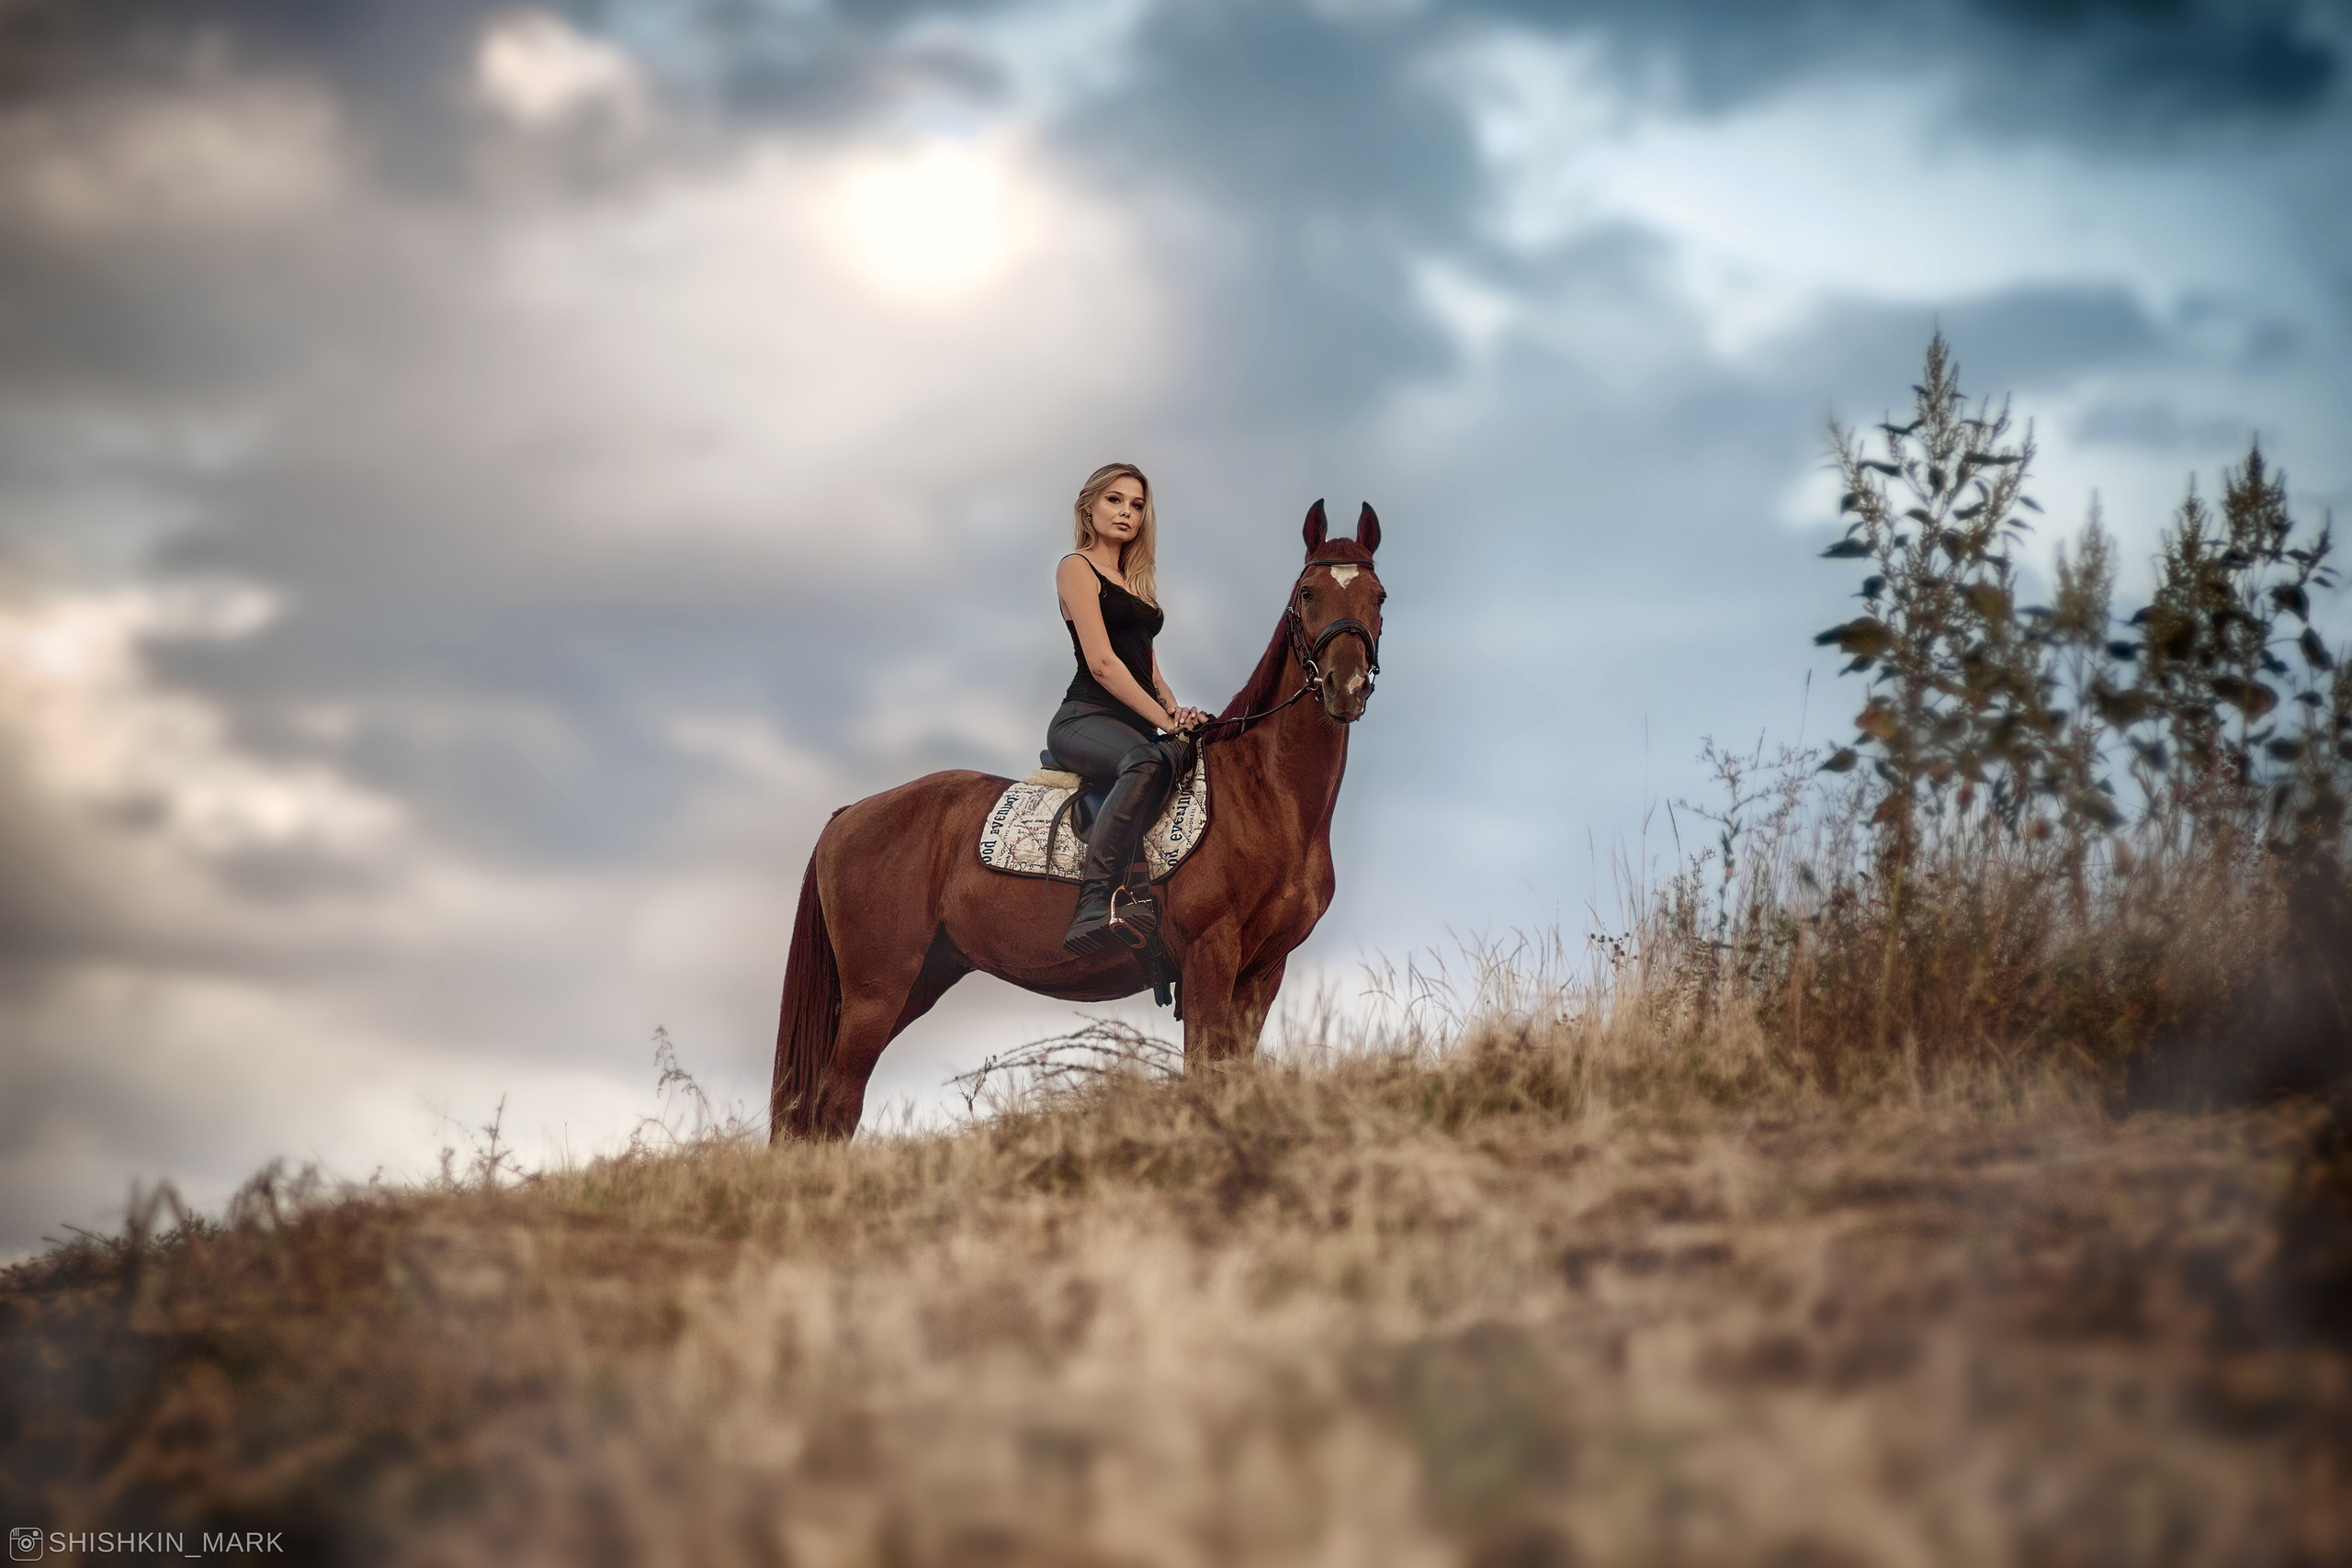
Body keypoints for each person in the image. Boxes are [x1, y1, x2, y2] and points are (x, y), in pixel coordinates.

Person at [1047, 463, 1210, 954]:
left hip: (1135, 721)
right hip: (1084, 719)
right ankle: (1094, 906)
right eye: (1115, 500)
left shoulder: (1136, 582)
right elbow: (1102, 664)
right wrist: (1163, 723)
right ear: (1088, 507)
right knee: (1144, 760)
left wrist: (1179, 718)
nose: (1126, 513)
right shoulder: (1076, 567)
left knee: (1196, 754)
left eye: (1137, 505)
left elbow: (1150, 672)